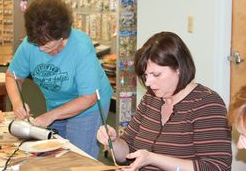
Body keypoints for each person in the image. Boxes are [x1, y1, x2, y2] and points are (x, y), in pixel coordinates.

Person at [97, 31, 232, 170]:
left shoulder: (207, 104)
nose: (148, 83)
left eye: (156, 74)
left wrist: (153, 159)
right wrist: (114, 141)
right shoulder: (151, 99)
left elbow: (216, 167)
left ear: (178, 68)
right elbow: (128, 153)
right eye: (146, 75)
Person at [6, 0, 113, 158]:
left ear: (63, 36)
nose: (41, 49)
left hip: (87, 106)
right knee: (52, 153)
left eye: (47, 44)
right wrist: (17, 102)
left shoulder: (81, 46)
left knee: (78, 158)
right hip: (56, 104)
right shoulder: (29, 45)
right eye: (37, 44)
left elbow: (88, 97)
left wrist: (51, 116)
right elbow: (12, 77)